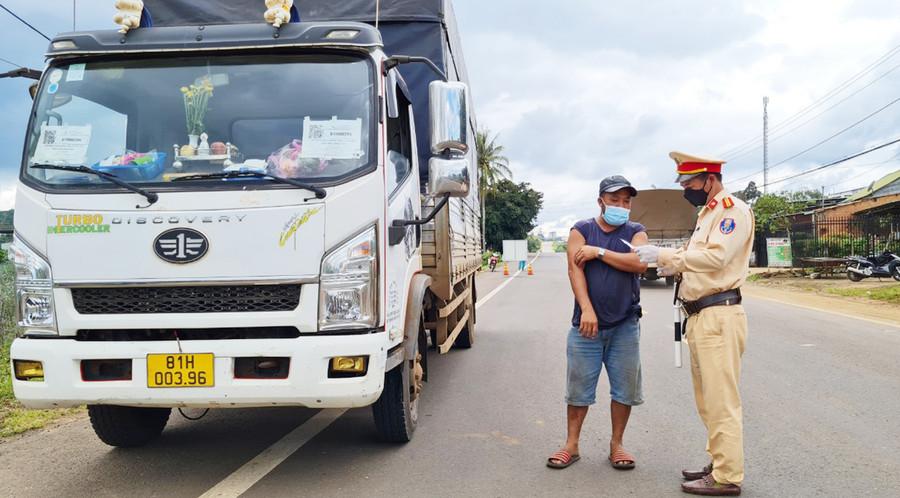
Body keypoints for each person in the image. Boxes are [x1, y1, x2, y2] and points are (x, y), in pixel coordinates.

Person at [634, 152, 754, 496]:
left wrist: (664, 255)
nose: (686, 190)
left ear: (710, 180)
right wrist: (674, 267)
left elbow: (717, 257)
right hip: (701, 316)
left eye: (690, 183)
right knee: (707, 400)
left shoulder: (732, 210)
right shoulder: (708, 213)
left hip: (719, 315)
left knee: (721, 401)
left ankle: (727, 477)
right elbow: (700, 259)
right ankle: (720, 462)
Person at [547, 175, 649, 471]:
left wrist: (599, 252)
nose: (621, 205)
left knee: (624, 390)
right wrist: (587, 309)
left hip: (625, 324)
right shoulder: (582, 230)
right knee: (578, 389)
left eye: (626, 201)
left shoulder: (636, 231)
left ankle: (617, 444)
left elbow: (639, 263)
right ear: (601, 201)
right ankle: (571, 445)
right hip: (586, 326)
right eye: (614, 200)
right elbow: (574, 269)